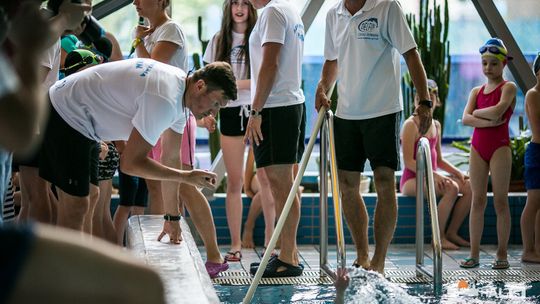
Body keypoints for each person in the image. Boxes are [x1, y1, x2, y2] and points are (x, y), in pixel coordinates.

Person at [39, 59, 235, 278]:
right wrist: (186, 177)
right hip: (67, 111)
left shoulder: (180, 93)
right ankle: (62, 282)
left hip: (84, 122)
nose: (213, 113)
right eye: (216, 103)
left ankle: (76, 272)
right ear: (200, 86)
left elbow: (171, 157)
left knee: (90, 196)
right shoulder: (165, 98)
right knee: (75, 206)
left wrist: (172, 217)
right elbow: (131, 163)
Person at [315, 0, 432, 274]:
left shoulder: (387, 7)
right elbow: (332, 61)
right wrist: (323, 88)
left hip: (383, 110)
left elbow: (411, 54)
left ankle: (379, 259)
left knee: (383, 182)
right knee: (347, 186)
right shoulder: (334, 14)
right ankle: (362, 254)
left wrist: (424, 101)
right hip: (346, 113)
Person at [244, 0, 305, 277]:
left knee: (282, 186)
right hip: (288, 104)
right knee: (283, 185)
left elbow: (270, 64)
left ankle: (289, 258)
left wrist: (255, 111)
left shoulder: (272, 12)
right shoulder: (288, 11)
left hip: (276, 107)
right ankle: (283, 253)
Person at [203, 0, 258, 262]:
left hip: (257, 111)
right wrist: (210, 112)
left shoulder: (259, 35)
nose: (239, 8)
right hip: (230, 112)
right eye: (234, 2)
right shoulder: (218, 39)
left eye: (244, 3)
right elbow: (210, 79)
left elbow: (266, 75)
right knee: (234, 182)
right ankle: (235, 244)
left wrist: (234, 83)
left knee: (267, 182)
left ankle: (272, 242)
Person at [460, 38, 516, 270]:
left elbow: (500, 110)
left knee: (501, 202)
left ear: (503, 64)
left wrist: (477, 116)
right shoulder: (476, 90)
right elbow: (465, 118)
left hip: (500, 147)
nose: (487, 68)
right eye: (484, 63)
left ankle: (501, 254)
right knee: (478, 201)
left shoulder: (509, 87)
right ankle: (474, 255)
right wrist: (488, 119)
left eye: (493, 63)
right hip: (478, 148)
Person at [400, 79, 472, 250]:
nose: (424, 98)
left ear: (437, 102)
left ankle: (452, 232)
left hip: (430, 177)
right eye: (420, 95)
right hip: (411, 180)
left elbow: (438, 160)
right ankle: (438, 238)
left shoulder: (436, 125)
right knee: (451, 188)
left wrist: (459, 172)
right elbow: (409, 162)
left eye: (430, 95)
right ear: (416, 100)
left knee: (469, 186)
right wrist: (434, 175)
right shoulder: (411, 125)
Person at [520, 53, 540, 263]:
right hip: (537, 151)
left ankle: (538, 248)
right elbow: (537, 128)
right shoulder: (533, 94)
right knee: (533, 201)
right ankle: (528, 249)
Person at [241, 146, 275, 250]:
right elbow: (249, 166)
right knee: (266, 189)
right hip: (258, 178)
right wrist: (246, 187)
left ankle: (280, 233)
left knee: (269, 191)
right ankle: (249, 226)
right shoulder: (259, 133)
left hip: (275, 179)